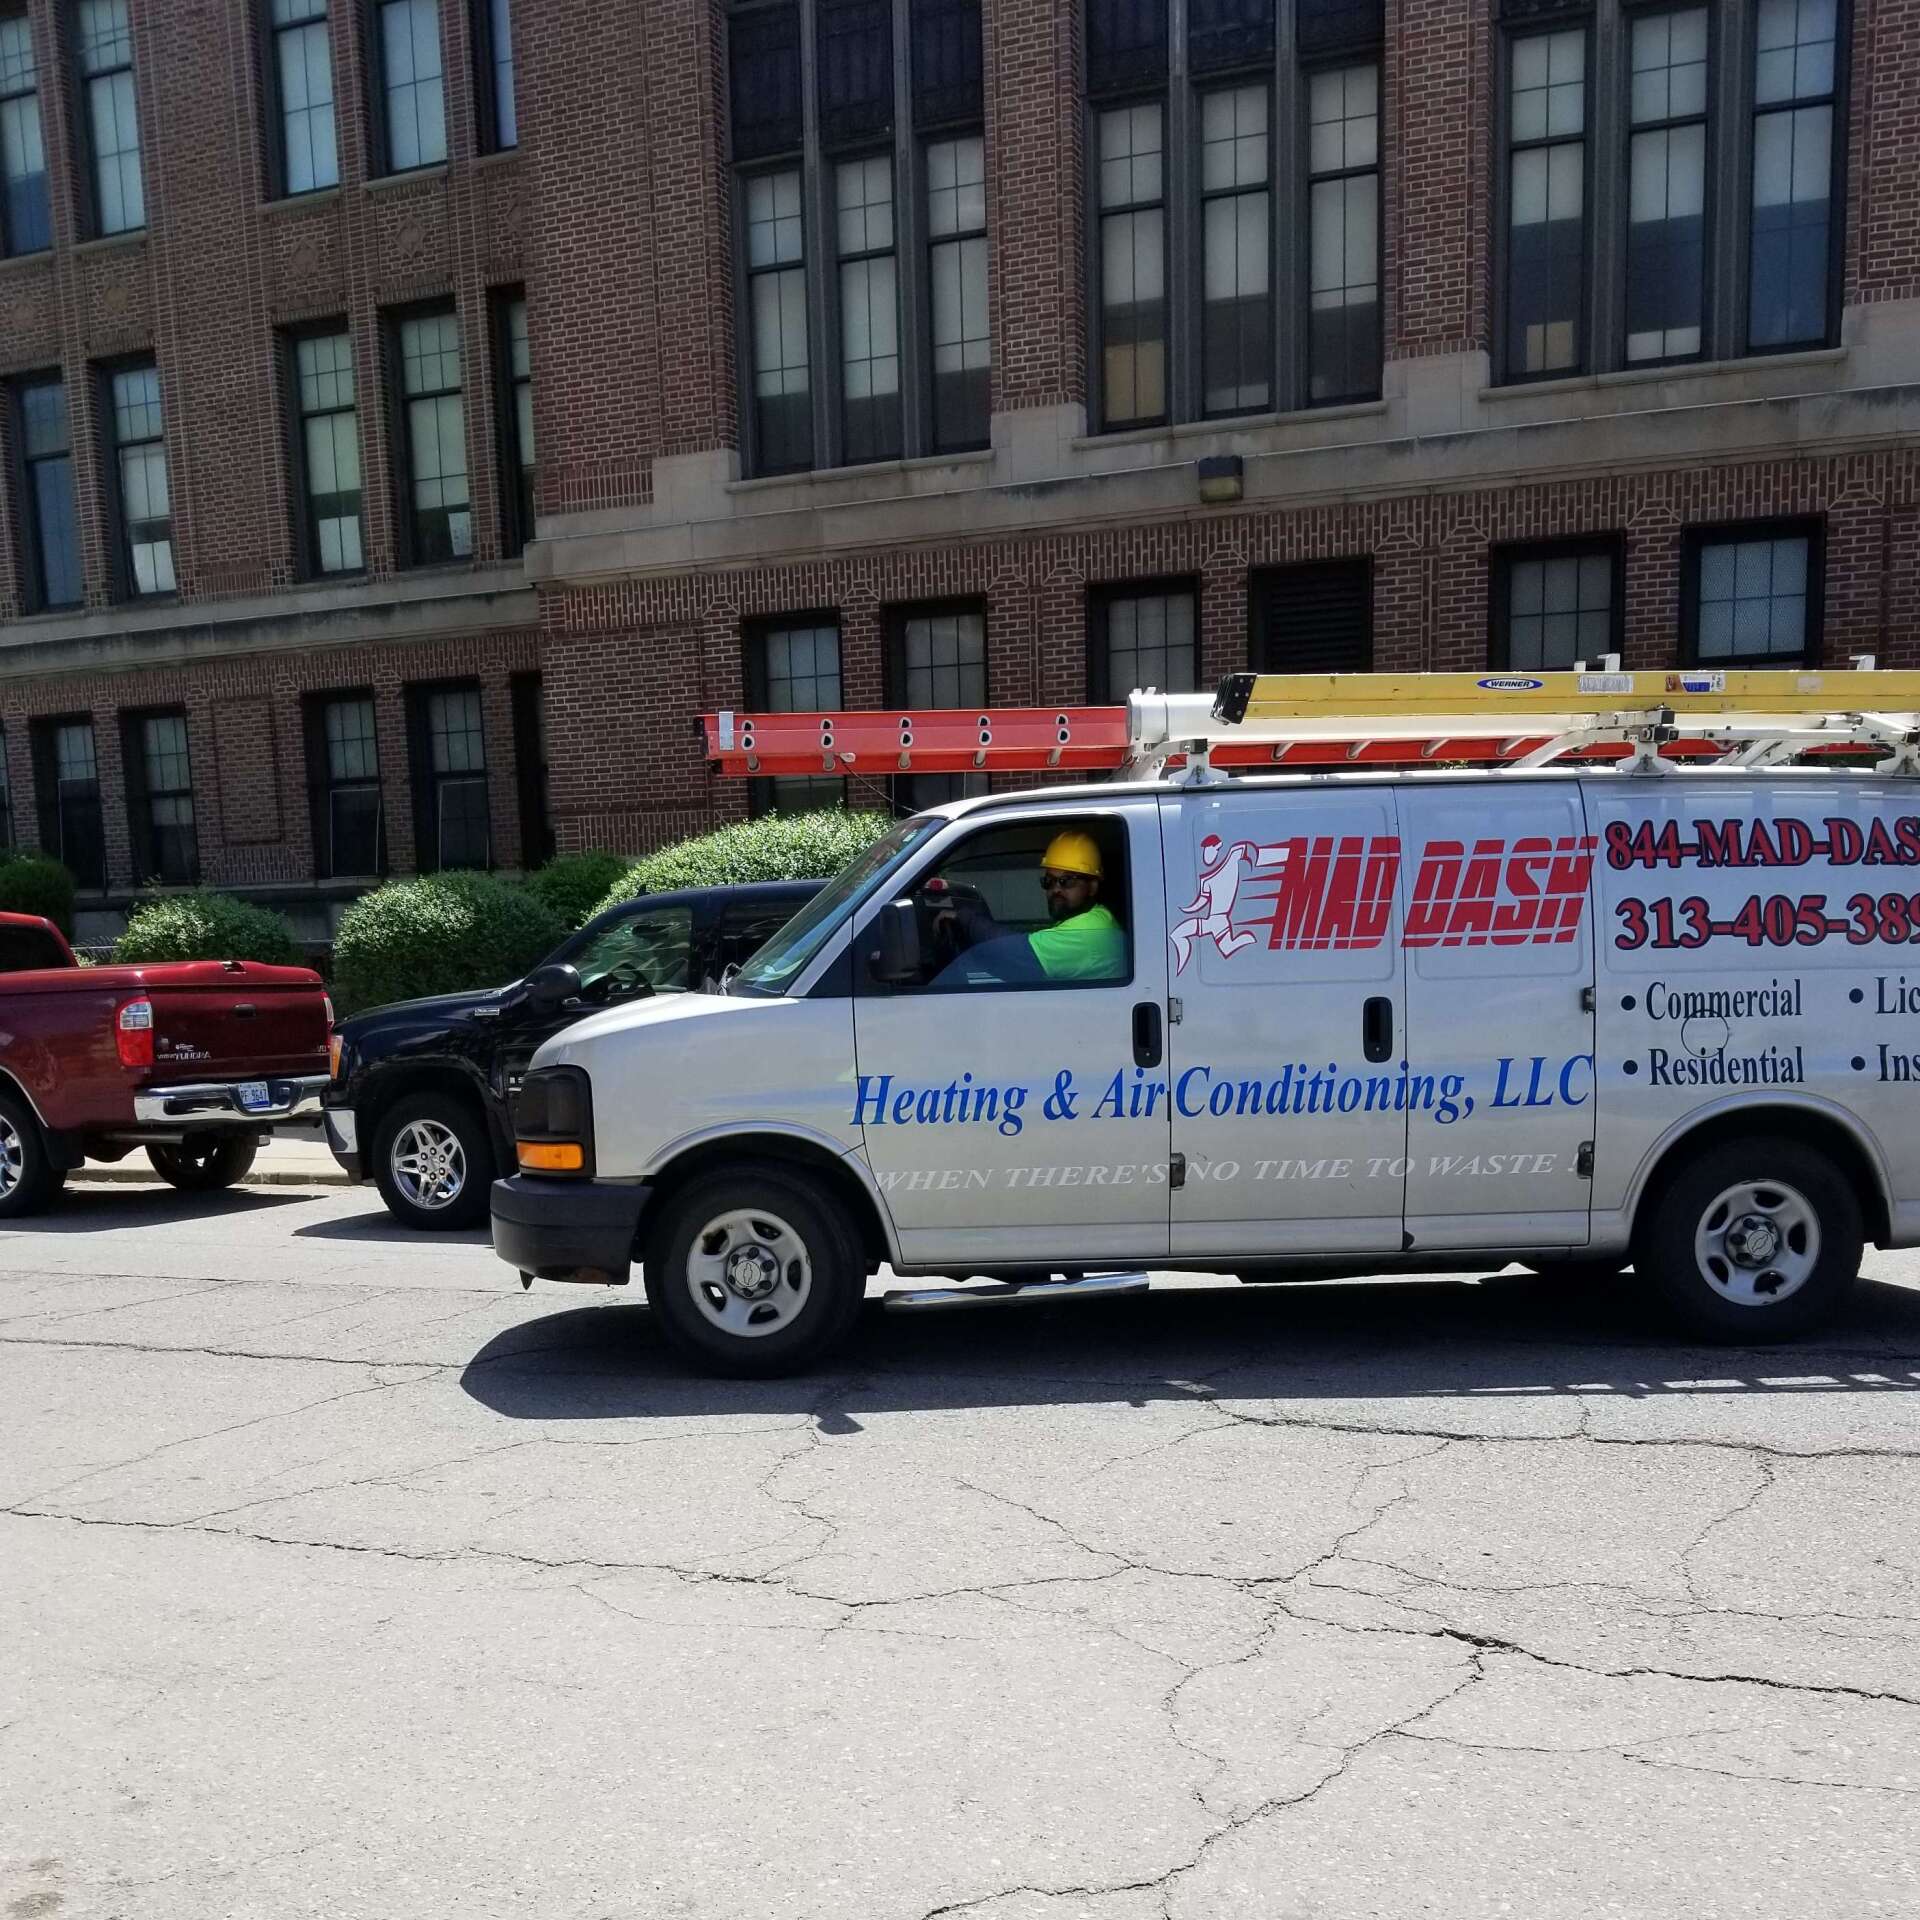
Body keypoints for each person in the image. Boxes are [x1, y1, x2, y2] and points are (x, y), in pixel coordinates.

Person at [936, 829, 1127, 984]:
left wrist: (962, 918)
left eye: (1067, 881)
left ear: (1092, 886)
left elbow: (1013, 954)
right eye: (1049, 881)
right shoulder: (1096, 919)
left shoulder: (1088, 931)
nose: (1055, 889)